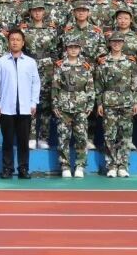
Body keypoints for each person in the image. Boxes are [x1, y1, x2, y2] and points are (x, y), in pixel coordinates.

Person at [0, 29, 40, 179]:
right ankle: (7, 168)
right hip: (6, 107)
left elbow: (36, 83)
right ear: (8, 42)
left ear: (23, 43)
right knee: (7, 140)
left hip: (25, 107)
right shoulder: (1, 62)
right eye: (12, 39)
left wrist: (34, 102)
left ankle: (23, 168)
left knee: (23, 141)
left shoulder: (30, 62)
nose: (15, 42)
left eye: (18, 40)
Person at [96, 35, 137, 178]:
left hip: (126, 101)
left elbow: (135, 84)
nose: (116, 44)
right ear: (109, 43)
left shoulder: (130, 62)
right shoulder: (103, 62)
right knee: (109, 135)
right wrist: (99, 103)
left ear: (123, 43)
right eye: (114, 42)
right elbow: (98, 85)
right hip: (109, 101)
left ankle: (123, 165)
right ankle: (111, 165)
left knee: (125, 135)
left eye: (119, 42)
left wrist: (135, 102)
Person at [52, 38, 94, 179]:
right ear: (66, 49)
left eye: (76, 47)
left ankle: (80, 165)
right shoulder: (60, 66)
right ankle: (65, 166)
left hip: (81, 106)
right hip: (63, 105)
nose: (73, 50)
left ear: (80, 49)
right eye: (71, 47)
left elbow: (90, 87)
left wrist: (90, 104)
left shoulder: (85, 67)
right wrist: (55, 104)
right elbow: (55, 86)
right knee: (63, 137)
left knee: (81, 137)